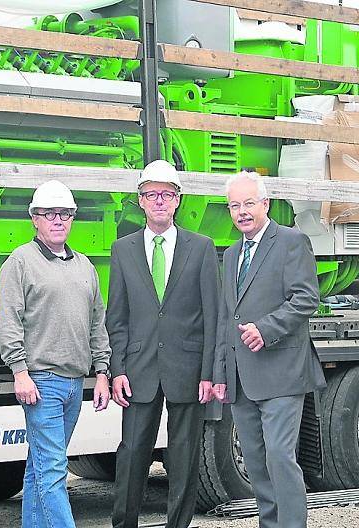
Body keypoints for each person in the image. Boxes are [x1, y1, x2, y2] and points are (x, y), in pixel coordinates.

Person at [106, 160, 221, 528]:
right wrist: (117, 370)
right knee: (132, 454)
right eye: (151, 194)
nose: (159, 201)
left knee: (184, 456)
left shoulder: (201, 248)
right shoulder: (123, 250)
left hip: (187, 371)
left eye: (166, 194)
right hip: (138, 371)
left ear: (177, 200)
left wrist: (209, 372)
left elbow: (212, 316)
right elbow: (117, 316)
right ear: (140, 200)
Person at [208, 171, 326, 528]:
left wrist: (266, 329)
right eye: (234, 206)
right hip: (242, 378)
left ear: (265, 204)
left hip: (282, 372)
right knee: (256, 462)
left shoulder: (291, 241)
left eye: (248, 204)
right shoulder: (230, 254)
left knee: (278, 457)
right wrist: (219, 374)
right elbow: (227, 317)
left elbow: (307, 298)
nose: (242, 212)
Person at [0, 180, 112, 528]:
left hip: (76, 383)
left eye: (65, 214)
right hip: (41, 383)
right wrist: (19, 372)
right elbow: (8, 321)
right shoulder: (20, 262)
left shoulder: (85, 266)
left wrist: (102, 372)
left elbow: (97, 323)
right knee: (53, 471)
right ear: (35, 218)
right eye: (49, 214)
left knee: (40, 468)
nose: (58, 220)